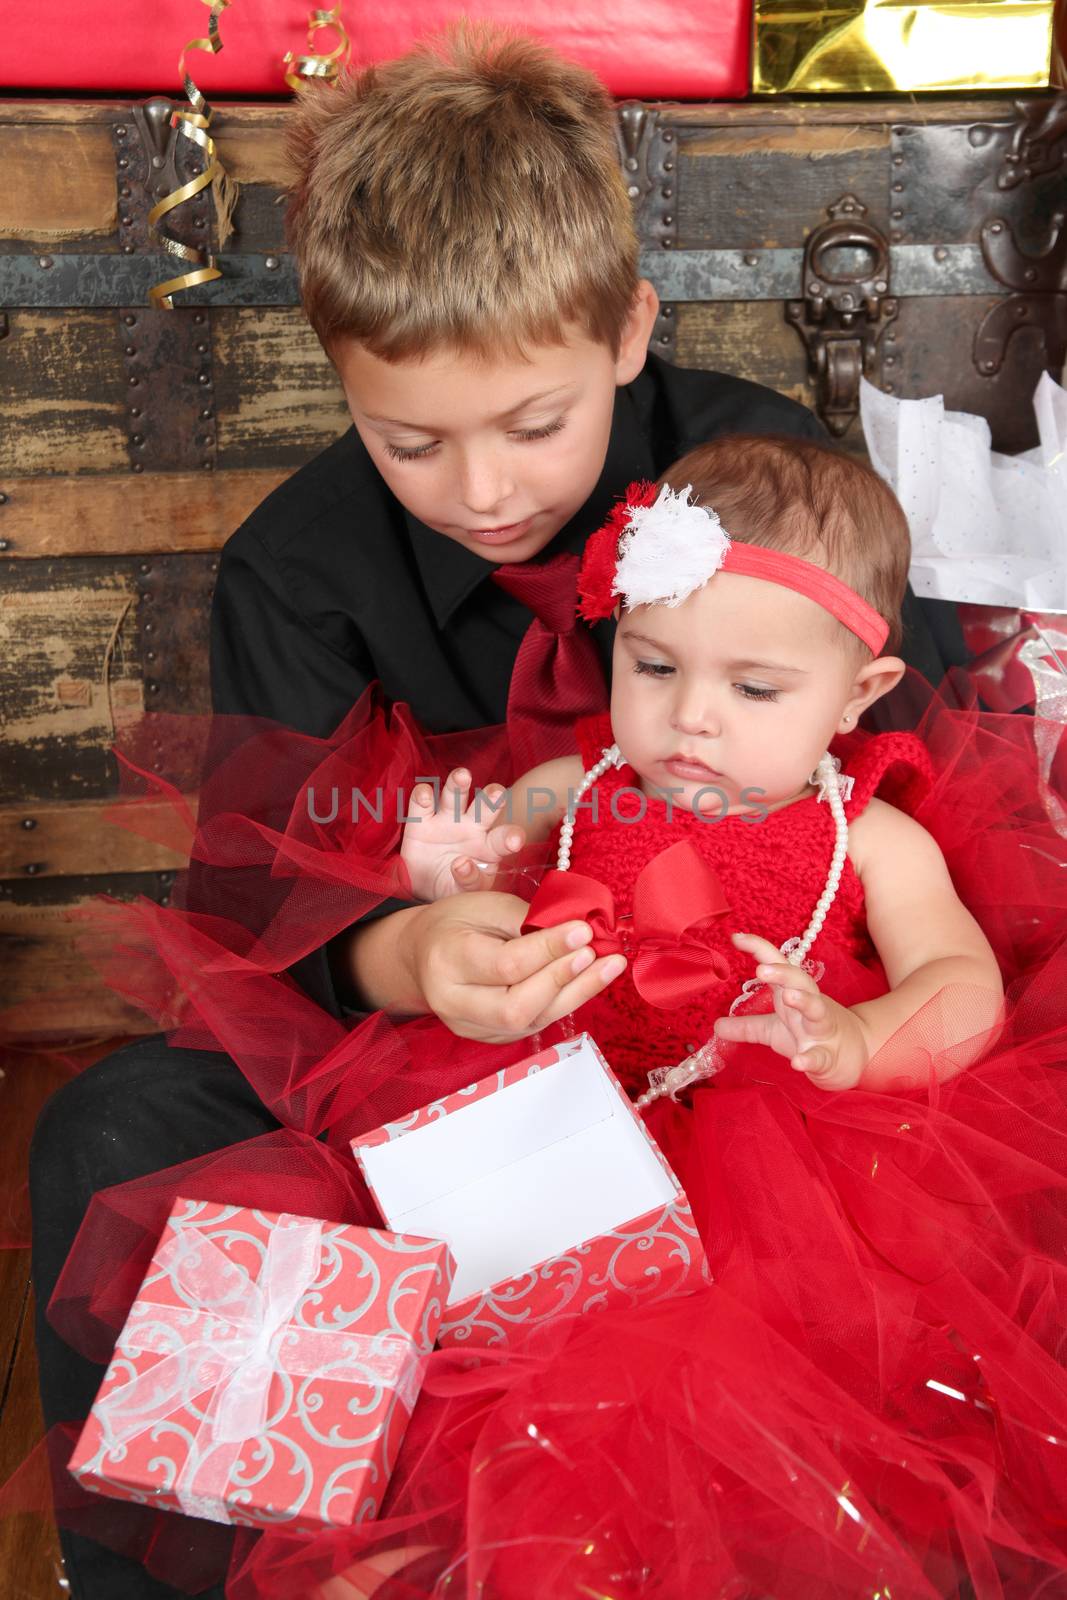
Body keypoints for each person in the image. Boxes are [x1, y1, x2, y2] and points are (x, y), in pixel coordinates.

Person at [28, 25, 968, 1600]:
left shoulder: (780, 483)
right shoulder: (301, 568)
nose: (478, 490)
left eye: (531, 426)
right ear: (342, 378)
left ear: (624, 332)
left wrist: (839, 1030)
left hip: (777, 1048)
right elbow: (262, 917)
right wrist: (407, 956)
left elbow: (924, 783)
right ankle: (212, 1568)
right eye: (410, 440)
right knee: (116, 1133)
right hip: (440, 1072)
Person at [42, 437, 1067, 1599]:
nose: (691, 719)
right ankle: (383, 1529)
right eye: (652, 665)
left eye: (753, 689)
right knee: (438, 1326)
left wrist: (853, 1041)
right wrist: (439, 870)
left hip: (772, 1148)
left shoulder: (870, 837)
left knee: (694, 1383)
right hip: (544, 1113)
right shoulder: (575, 788)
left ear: (858, 693)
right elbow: (474, 880)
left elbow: (958, 980)